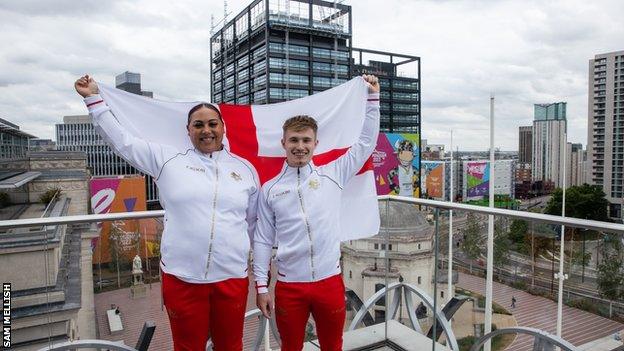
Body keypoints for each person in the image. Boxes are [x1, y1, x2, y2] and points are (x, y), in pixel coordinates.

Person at [74, 75, 259, 351]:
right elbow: (123, 142)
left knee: (231, 346)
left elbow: (253, 224)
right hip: (182, 279)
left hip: (231, 277)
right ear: (188, 130)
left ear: (223, 128)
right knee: (187, 347)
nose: (206, 130)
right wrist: (93, 100)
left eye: (212, 124)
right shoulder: (168, 161)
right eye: (198, 125)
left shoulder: (245, 170)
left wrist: (261, 276)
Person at [254, 74, 380, 350]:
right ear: (283, 143)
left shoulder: (333, 173)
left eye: (306, 141)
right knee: (290, 348)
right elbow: (263, 239)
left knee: (333, 346)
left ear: (315, 144)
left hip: (329, 283)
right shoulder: (270, 189)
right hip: (289, 286)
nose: (300, 146)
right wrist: (262, 287)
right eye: (294, 140)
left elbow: (365, 144)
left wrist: (372, 100)